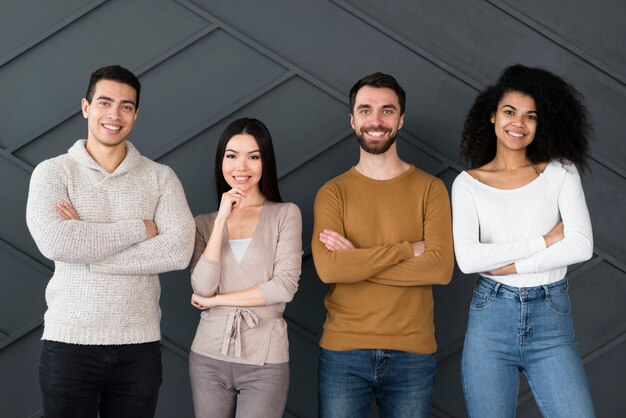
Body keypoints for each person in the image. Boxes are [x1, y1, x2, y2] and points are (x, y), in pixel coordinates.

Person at [25, 65, 195, 417]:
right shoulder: (53, 172)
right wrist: (141, 228)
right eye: (104, 103)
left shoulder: (161, 178)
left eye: (126, 106)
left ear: (136, 114)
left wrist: (88, 251)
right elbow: (56, 240)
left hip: (139, 348)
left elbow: (179, 249)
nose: (114, 115)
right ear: (86, 107)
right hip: (69, 343)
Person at [452, 64, 595, 417]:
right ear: (492, 116)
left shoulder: (561, 172)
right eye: (510, 112)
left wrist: (513, 265)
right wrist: (544, 240)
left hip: (551, 318)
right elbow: (469, 260)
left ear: (540, 124)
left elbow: (580, 245)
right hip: (491, 319)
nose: (518, 124)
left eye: (530, 116)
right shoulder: (468, 184)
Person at [311, 72, 454, 418]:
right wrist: (407, 249)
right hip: (344, 351)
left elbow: (440, 268)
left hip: (412, 354)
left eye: (387, 111)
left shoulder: (431, 189)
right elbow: (330, 268)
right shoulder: (333, 192)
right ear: (352, 120)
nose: (376, 120)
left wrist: (357, 262)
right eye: (366, 110)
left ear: (401, 120)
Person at [188, 117, 302, 418]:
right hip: (207, 355)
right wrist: (222, 218)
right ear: (221, 162)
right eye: (232, 156)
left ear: (266, 162)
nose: (242, 167)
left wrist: (218, 301)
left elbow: (284, 287)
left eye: (253, 156)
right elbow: (202, 286)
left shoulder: (286, 215)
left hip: (265, 358)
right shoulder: (204, 223)